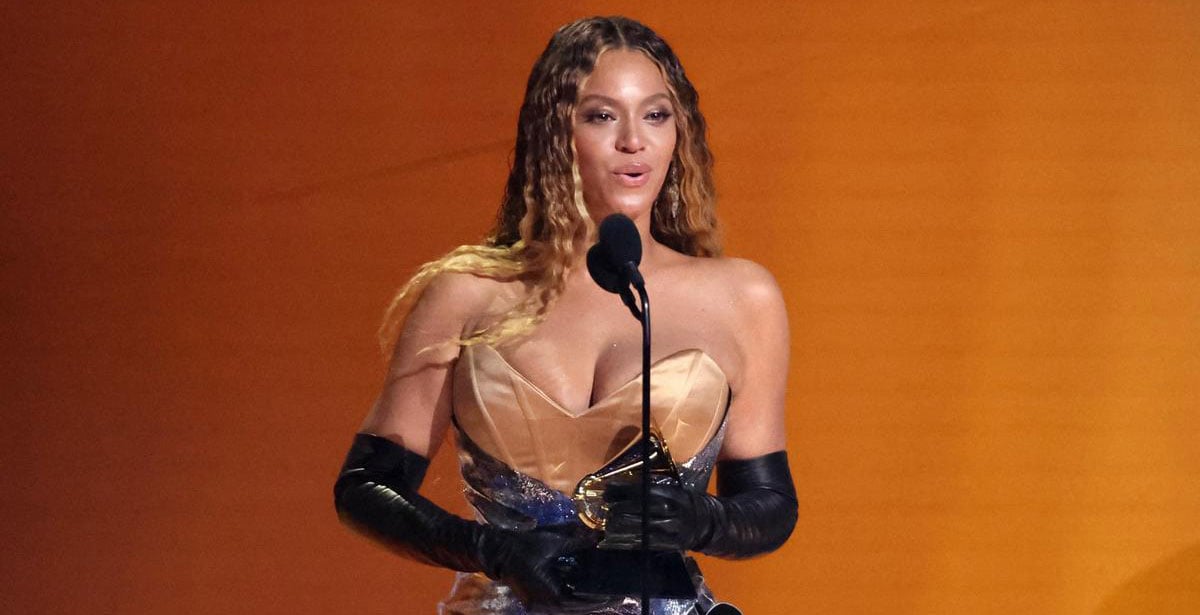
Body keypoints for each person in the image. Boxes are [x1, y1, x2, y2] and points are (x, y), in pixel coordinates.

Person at [334, 16, 798, 615]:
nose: (634, 141)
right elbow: (367, 487)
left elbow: (769, 505)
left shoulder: (742, 297)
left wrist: (702, 519)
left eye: (656, 115)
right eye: (602, 116)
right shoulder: (467, 295)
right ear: (555, 135)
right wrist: (492, 550)